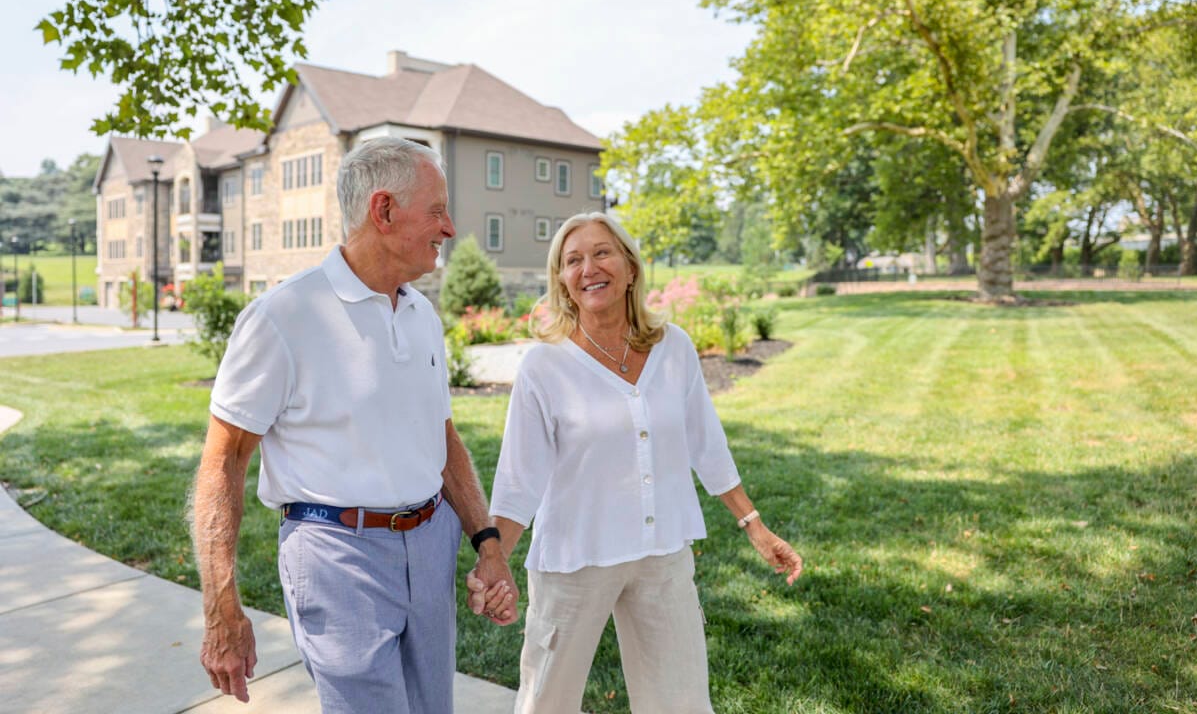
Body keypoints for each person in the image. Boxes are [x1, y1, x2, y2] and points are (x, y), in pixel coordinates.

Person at [191, 137, 518, 713]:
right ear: (384, 210)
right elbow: (223, 462)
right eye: (437, 210)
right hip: (336, 555)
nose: (449, 228)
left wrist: (485, 541)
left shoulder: (421, 314)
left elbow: (441, 438)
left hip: (431, 544)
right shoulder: (283, 315)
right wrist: (221, 607)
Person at [469, 211, 803, 713]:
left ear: (629, 266)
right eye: (572, 260)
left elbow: (705, 441)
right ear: (561, 280)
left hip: (661, 551)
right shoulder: (544, 365)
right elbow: (520, 478)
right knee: (547, 701)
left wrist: (754, 525)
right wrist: (496, 563)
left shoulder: (674, 348)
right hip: (576, 555)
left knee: (682, 702)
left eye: (601, 253)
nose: (588, 268)